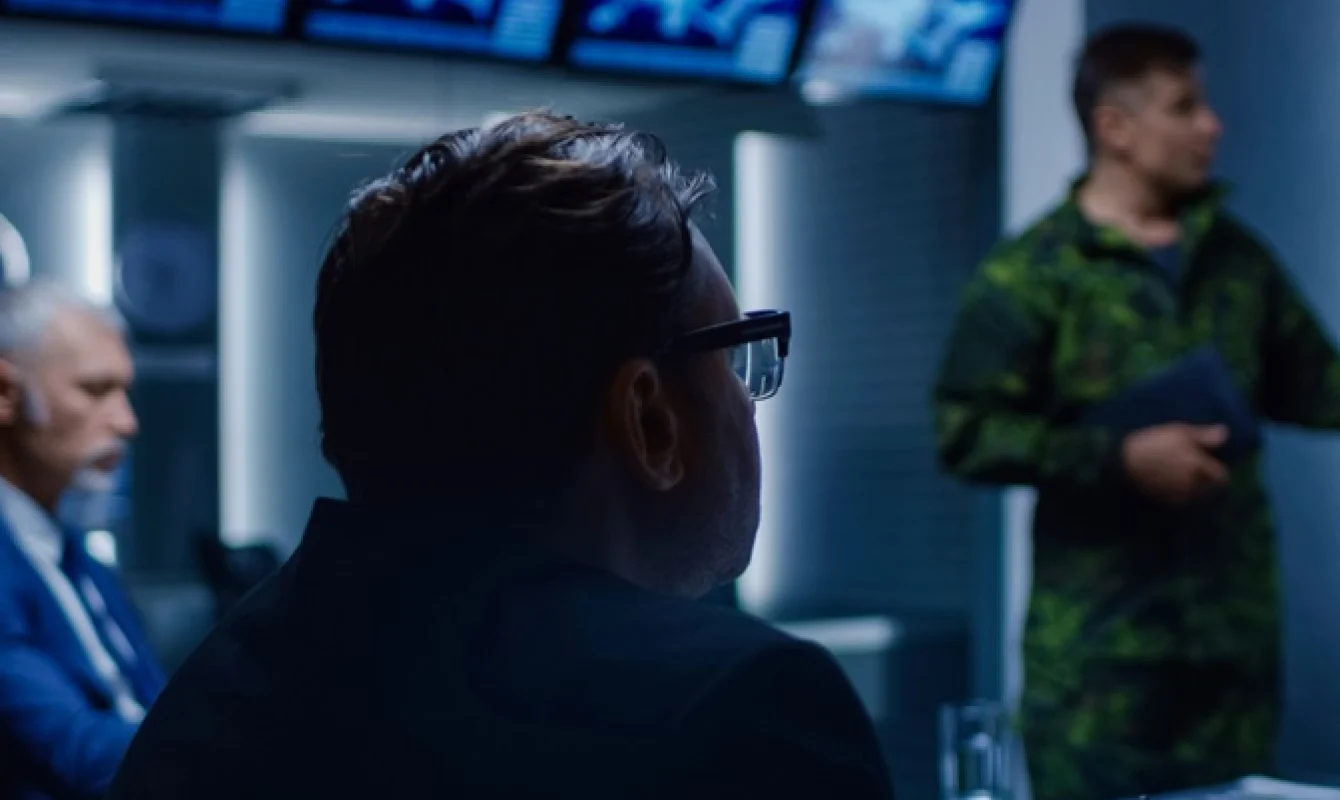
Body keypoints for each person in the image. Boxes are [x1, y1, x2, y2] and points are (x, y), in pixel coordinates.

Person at [108, 112, 896, 800]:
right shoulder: (741, 710)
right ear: (649, 420)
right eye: (735, 358)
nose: (748, 399)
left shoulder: (206, 702)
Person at [932, 23, 1340, 800]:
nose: (1210, 125)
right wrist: (1118, 458)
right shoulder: (1032, 273)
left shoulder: (1235, 261)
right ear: (1114, 127)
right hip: (1099, 667)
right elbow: (965, 433)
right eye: (1185, 107)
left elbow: (1319, 385)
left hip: (1230, 658)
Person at [0, 281, 162, 799]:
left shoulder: (80, 560)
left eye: (125, 392)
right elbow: (75, 752)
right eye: (95, 390)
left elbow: (159, 705)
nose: (127, 422)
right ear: (6, 395)